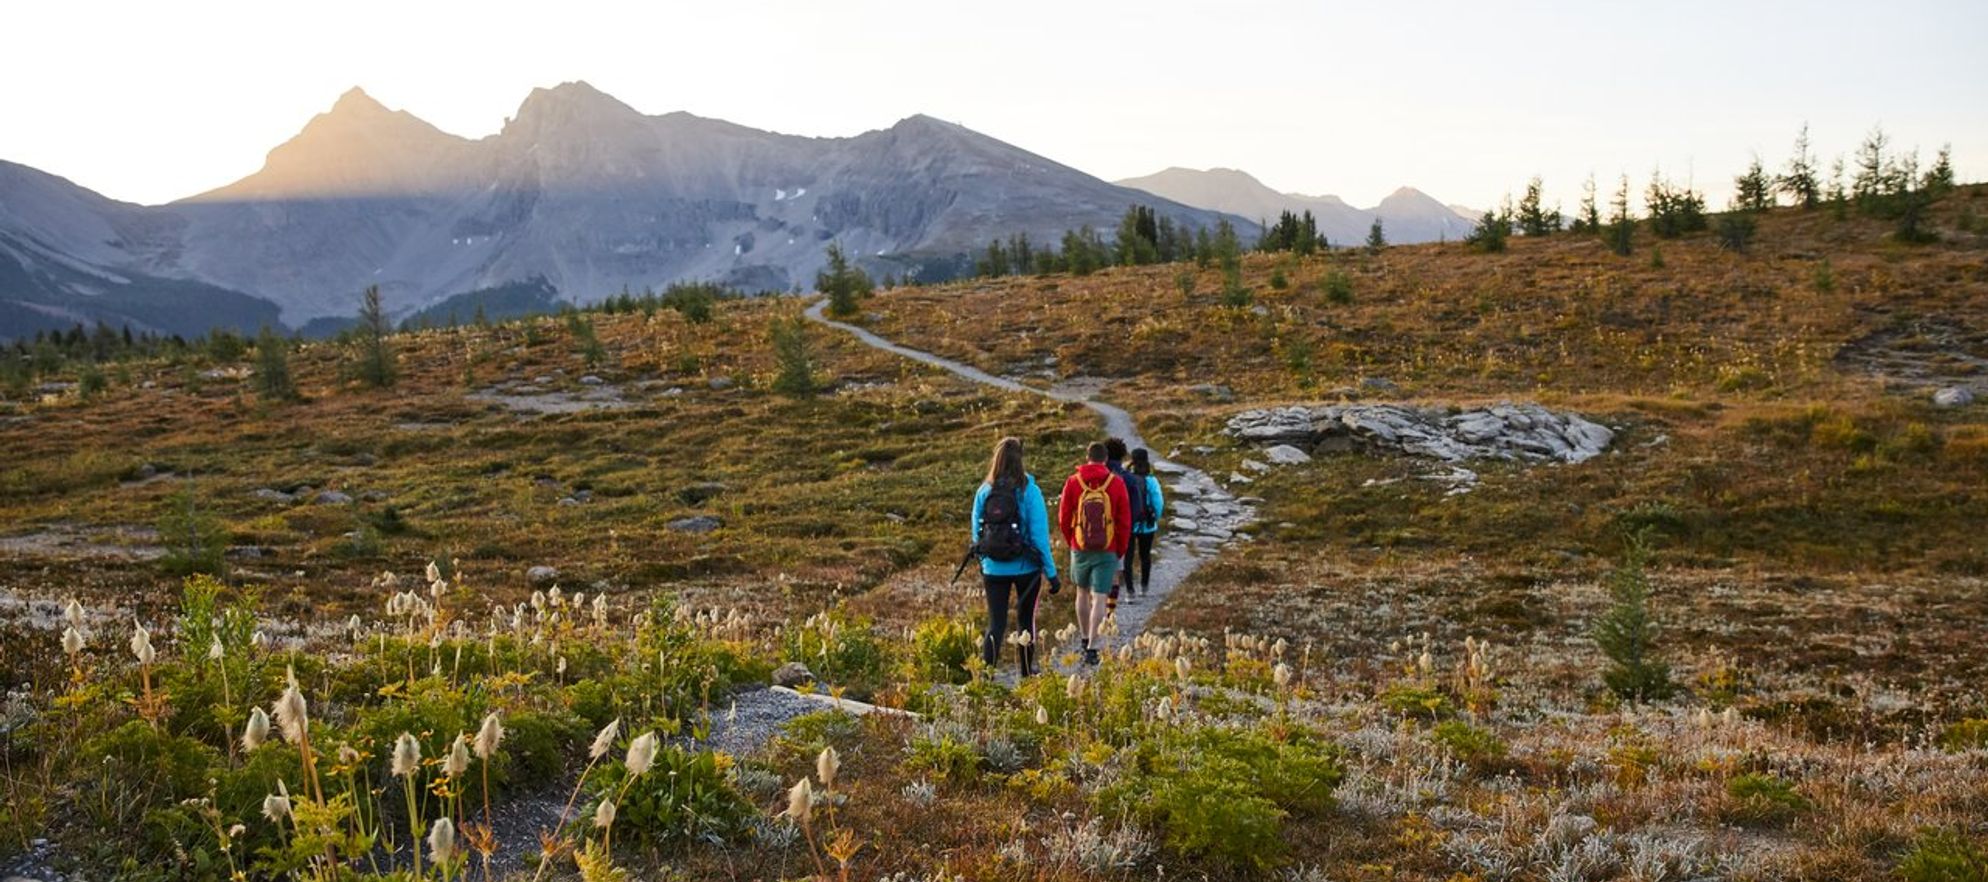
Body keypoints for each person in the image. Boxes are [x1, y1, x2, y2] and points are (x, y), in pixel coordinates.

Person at [970, 437, 1059, 677]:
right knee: (1025, 622)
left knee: (995, 624)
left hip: (993, 569)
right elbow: (1040, 537)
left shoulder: (984, 491)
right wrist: (1051, 573)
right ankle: (1027, 675)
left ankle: (985, 678)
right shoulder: (1030, 490)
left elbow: (976, 534)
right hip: (1026, 569)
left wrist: (985, 563)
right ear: (1020, 459)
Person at [1058, 441, 1129, 666]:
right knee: (1100, 597)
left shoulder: (1073, 482)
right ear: (1105, 459)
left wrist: (1072, 540)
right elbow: (1124, 520)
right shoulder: (1116, 483)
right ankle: (1092, 648)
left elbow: (1063, 516)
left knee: (1081, 593)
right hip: (1108, 548)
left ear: (1086, 457)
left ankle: (1083, 637)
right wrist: (1120, 549)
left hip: (1080, 547)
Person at [1103, 438, 1147, 605]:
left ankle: (1096, 606)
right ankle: (1111, 609)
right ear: (1122, 456)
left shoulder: (1096, 476)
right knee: (1118, 569)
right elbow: (1136, 508)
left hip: (1092, 531)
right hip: (1121, 530)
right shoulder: (1128, 479)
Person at [1128, 447, 1164, 595]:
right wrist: (1156, 517)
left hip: (1129, 524)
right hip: (1147, 524)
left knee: (1128, 558)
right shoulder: (1152, 480)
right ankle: (1144, 587)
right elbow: (1158, 502)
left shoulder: (1127, 479)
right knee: (1145, 555)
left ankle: (1130, 591)